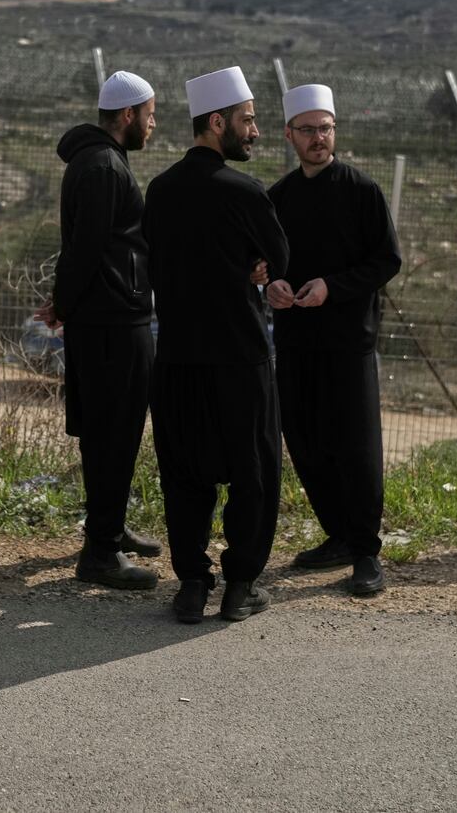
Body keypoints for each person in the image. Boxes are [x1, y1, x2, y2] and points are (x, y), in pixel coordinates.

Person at [143, 65, 289, 623]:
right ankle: (241, 584)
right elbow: (279, 257)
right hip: (239, 359)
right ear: (217, 121)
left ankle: (191, 584)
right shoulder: (245, 191)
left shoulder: (159, 190)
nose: (254, 132)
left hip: (177, 358)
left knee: (185, 475)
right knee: (253, 472)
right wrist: (255, 267)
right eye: (248, 121)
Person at [266, 84, 402, 597]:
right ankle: (339, 535)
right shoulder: (277, 197)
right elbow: (264, 264)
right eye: (308, 130)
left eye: (325, 129)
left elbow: (386, 260)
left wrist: (332, 287)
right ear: (289, 135)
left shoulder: (361, 190)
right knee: (303, 438)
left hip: (349, 341)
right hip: (297, 340)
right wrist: (271, 285)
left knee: (357, 446)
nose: (319, 138)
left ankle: (366, 551)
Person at [35, 70, 163, 590]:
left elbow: (88, 248)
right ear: (127, 116)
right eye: (150, 115)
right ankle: (102, 554)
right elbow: (86, 249)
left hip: (103, 315)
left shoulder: (100, 161)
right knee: (115, 433)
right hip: (112, 322)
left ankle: (105, 529)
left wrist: (65, 301)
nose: (153, 126)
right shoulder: (104, 166)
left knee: (107, 434)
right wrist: (64, 303)